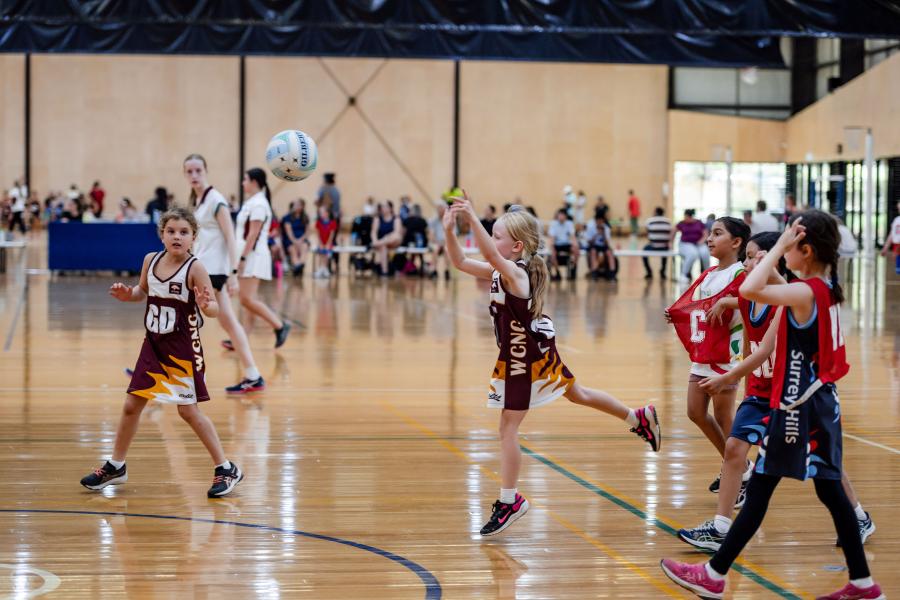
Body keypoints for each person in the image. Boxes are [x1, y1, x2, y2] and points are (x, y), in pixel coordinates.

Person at [661, 210, 884, 600]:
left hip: (799, 407)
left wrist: (776, 247)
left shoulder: (804, 292)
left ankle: (713, 574)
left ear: (805, 250)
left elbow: (750, 289)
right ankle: (863, 584)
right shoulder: (822, 288)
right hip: (818, 404)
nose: (784, 251)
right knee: (822, 491)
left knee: (768, 489)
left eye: (791, 244)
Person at [443, 193, 661, 537]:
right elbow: (459, 262)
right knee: (579, 394)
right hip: (529, 350)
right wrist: (450, 231)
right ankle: (638, 417)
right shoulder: (504, 268)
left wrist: (471, 217)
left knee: (507, 429)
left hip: (524, 357)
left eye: (497, 235)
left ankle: (510, 500)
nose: (492, 240)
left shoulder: (515, 273)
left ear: (516, 246)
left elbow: (486, 253)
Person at [79, 207, 244, 498]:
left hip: (182, 349)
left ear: (193, 237)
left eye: (184, 232)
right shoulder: (150, 260)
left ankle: (226, 467)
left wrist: (208, 305)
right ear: (162, 235)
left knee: (187, 411)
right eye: (171, 231)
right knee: (132, 405)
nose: (177, 236)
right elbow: (142, 292)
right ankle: (116, 465)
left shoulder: (195, 268)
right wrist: (127, 294)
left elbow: (214, 309)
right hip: (153, 344)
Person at [666, 217, 751, 493]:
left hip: (726, 356)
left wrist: (728, 301)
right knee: (695, 412)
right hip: (704, 354)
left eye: (717, 234)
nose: (709, 239)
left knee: (724, 416)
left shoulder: (741, 274)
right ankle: (740, 466)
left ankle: (736, 472)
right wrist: (677, 313)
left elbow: (753, 301)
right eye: (709, 234)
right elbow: (694, 304)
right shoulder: (707, 274)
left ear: (736, 242)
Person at [184, 155, 265, 393]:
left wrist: (232, 273)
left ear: (206, 171)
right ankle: (252, 374)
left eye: (198, 170)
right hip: (205, 268)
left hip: (214, 271)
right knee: (229, 323)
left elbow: (231, 237)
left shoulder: (215, 199)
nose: (194, 175)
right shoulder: (198, 201)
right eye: (189, 172)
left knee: (183, 319)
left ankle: (170, 373)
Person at [233, 168, 291, 347]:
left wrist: (242, 259)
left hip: (253, 256)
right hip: (249, 255)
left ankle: (279, 326)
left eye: (245, 180)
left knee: (246, 299)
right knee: (249, 300)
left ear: (254, 182)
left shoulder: (258, 204)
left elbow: (253, 235)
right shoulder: (253, 202)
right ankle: (241, 340)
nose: (243, 183)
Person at [675, 209, 710, 281]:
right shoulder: (681, 223)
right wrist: (670, 242)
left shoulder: (699, 223)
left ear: (690, 217)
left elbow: (705, 234)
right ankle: (684, 274)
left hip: (698, 243)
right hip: (686, 244)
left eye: (686, 217)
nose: (685, 218)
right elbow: (673, 231)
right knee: (692, 254)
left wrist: (701, 241)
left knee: (705, 253)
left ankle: (707, 274)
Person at [371, 200, 402, 277]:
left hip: (393, 241)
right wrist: (374, 240)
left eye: (385, 206)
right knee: (383, 247)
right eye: (382, 207)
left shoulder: (396, 218)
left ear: (390, 208)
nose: (383, 208)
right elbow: (373, 232)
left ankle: (381, 242)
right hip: (383, 243)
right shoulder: (378, 218)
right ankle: (385, 271)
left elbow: (397, 232)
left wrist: (384, 239)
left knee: (396, 236)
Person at [547, 208, 579, 281]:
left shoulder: (569, 223)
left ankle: (573, 268)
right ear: (558, 215)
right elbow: (552, 238)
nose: (561, 216)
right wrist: (551, 247)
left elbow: (572, 236)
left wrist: (575, 245)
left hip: (566, 244)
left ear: (565, 216)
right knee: (552, 254)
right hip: (557, 244)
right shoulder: (553, 224)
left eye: (562, 215)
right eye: (559, 215)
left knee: (576, 250)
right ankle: (558, 273)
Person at [582, 214, 617, 280]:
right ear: (595, 221)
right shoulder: (591, 228)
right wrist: (596, 234)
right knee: (593, 252)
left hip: (603, 245)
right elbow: (589, 242)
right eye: (598, 221)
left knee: (609, 253)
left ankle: (612, 273)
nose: (599, 222)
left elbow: (607, 243)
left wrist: (603, 234)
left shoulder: (606, 228)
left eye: (601, 221)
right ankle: (594, 272)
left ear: (603, 221)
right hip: (594, 245)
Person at [282, 199, 310, 277]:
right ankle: (297, 264)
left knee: (304, 246)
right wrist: (295, 241)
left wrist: (301, 239)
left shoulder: (305, 217)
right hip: (291, 239)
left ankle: (300, 264)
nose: (296, 207)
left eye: (298, 205)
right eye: (295, 205)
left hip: (302, 239)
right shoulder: (287, 217)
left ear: (302, 207)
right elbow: (288, 231)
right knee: (292, 249)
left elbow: (307, 231)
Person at [643, 206, 672, 280]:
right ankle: (662, 271)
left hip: (653, 246)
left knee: (644, 252)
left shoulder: (650, 221)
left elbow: (647, 231)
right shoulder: (668, 221)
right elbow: (669, 233)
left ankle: (649, 272)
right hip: (664, 246)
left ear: (656, 212)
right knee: (665, 253)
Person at [313, 205, 338, 278]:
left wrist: (328, 243)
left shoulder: (332, 222)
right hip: (321, 242)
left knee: (326, 251)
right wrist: (320, 243)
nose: (321, 214)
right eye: (320, 213)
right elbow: (317, 234)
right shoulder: (318, 222)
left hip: (329, 242)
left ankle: (324, 268)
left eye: (322, 213)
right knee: (321, 252)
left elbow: (331, 235)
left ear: (327, 213)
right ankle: (321, 268)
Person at [881, 199, 900, 275]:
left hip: (898, 247)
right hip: (896, 246)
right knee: (898, 270)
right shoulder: (896, 220)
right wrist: (885, 248)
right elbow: (891, 235)